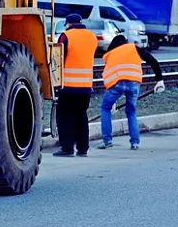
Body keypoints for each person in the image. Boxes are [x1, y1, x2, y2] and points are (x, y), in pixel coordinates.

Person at [98, 34, 165, 150]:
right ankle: (135, 142)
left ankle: (107, 141)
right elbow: (153, 61)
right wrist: (159, 80)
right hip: (133, 83)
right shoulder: (133, 48)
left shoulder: (109, 54)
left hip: (116, 85)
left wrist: (113, 102)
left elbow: (108, 76)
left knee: (105, 108)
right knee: (131, 111)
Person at [52, 14, 99, 157]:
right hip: (86, 86)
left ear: (68, 24)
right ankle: (83, 148)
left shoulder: (66, 36)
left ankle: (67, 148)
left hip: (68, 86)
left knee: (65, 117)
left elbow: (58, 59)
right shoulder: (92, 37)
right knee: (81, 117)